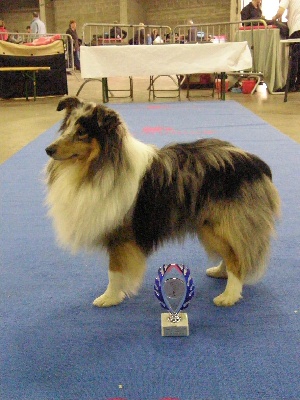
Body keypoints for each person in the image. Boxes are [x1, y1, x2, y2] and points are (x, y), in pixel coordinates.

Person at [273, 0, 300, 91]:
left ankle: (290, 85)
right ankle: (298, 85)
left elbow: (280, 12)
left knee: (294, 58)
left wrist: (274, 18)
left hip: (297, 29)